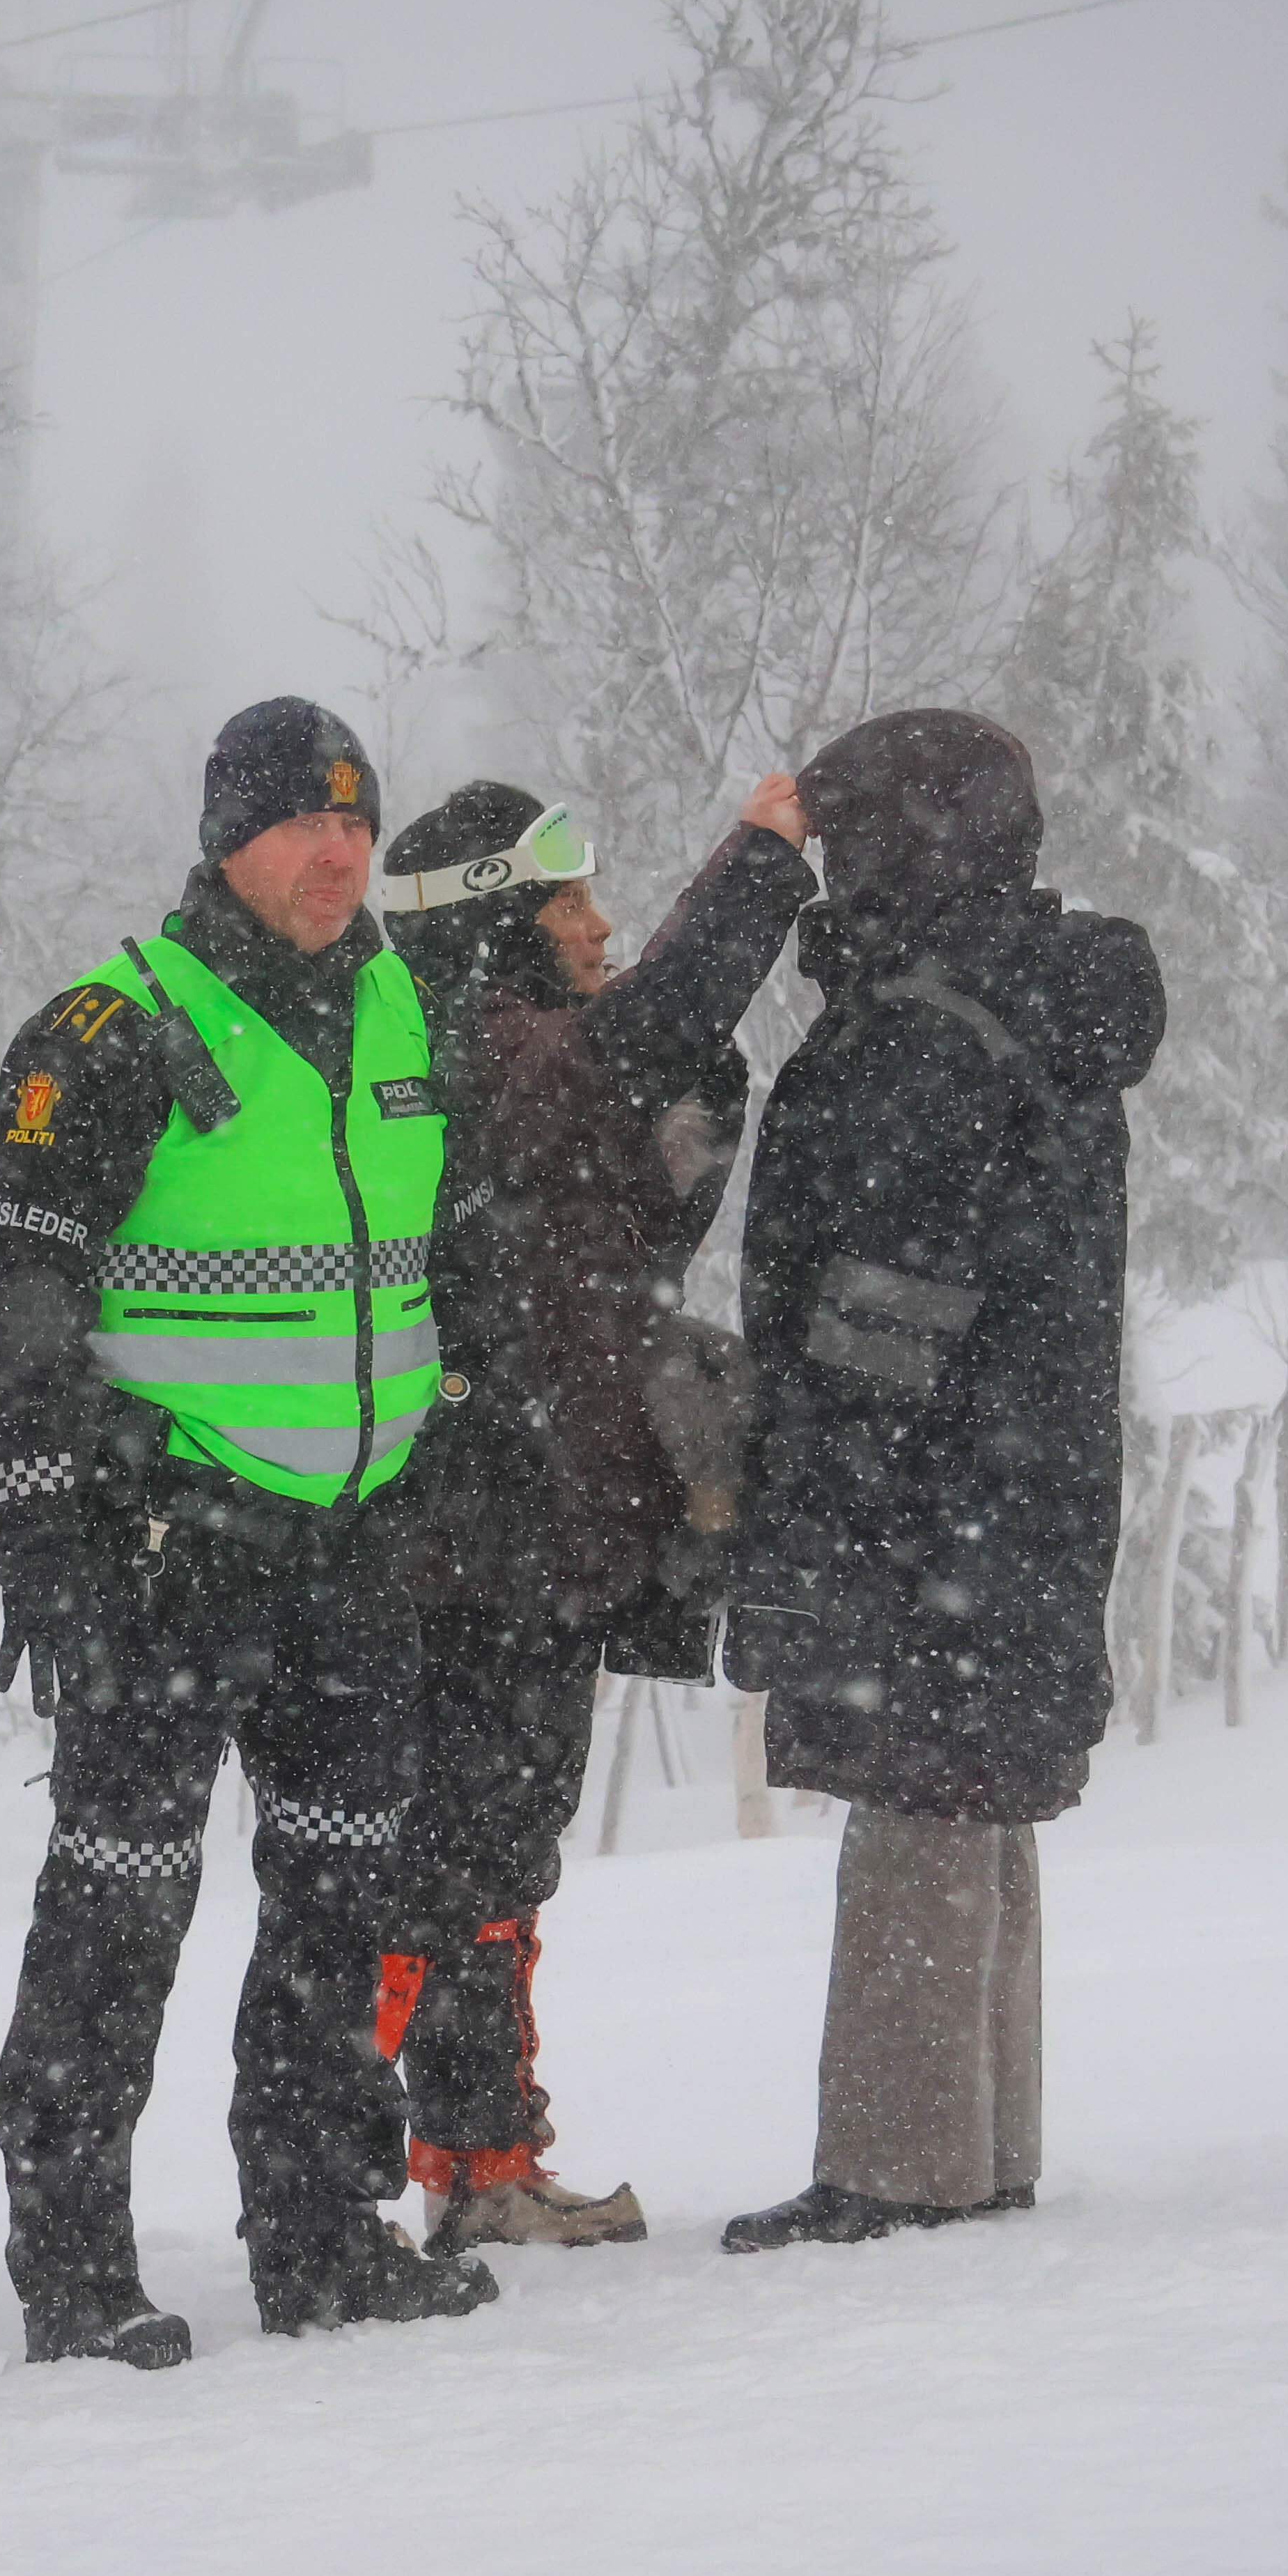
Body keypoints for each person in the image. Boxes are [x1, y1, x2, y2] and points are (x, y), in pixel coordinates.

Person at [0, 695, 493, 2363]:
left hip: (354, 1543)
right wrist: (46, 1528)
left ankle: (320, 2241)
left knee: (339, 1905)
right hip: (167, 1546)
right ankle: (74, 2271)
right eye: (301, 821)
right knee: (117, 1914)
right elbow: (14, 1298)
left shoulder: (409, 1009)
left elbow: (444, 1263)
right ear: (226, 838)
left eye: (357, 819)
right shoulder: (114, 1029)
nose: (339, 851)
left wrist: (455, 1447)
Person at [717, 709, 1163, 2253]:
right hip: (1022, 1481)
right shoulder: (1034, 1001)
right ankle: (984, 2139)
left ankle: (897, 2166)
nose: (832, 875)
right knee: (975, 1797)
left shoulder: (919, 1027)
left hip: (924, 1496)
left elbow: (881, 1311)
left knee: (916, 1795)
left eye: (847, 844)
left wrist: (813, 1494)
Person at [369, 776, 815, 2253]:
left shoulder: (521, 1058)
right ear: (496, 921)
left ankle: (483, 2162)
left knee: (496, 1857)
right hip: (467, 1538)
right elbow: (659, 1024)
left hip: (527, 1530)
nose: (599, 923)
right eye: (567, 900)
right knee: (445, 1863)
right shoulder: (474, 1044)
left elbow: (637, 1214)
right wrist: (763, 857)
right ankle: (347, 2174)